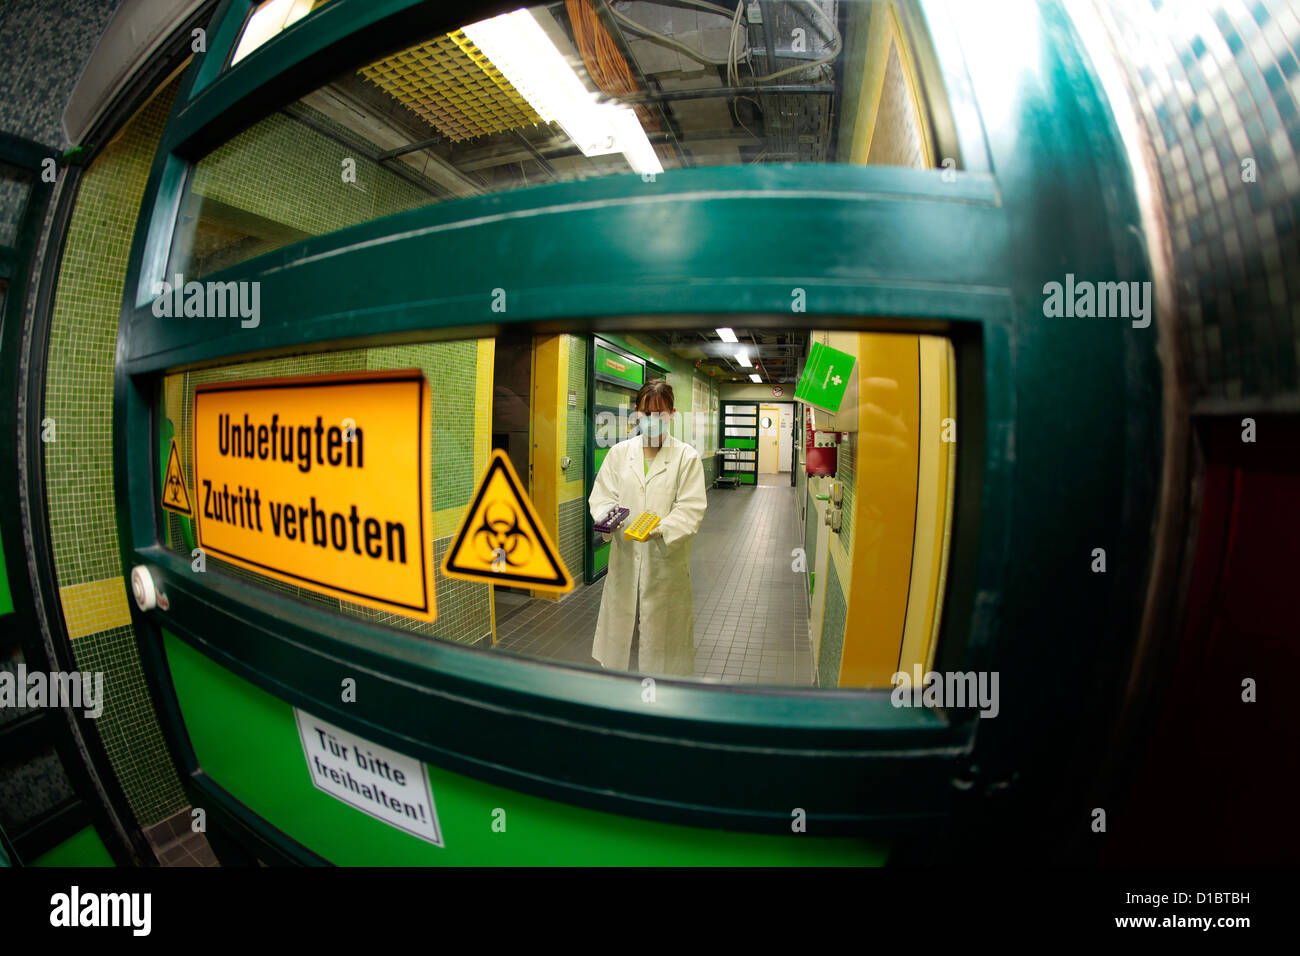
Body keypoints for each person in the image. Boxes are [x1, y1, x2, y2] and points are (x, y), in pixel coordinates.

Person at [589, 379, 707, 676]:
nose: (653, 420)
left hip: (665, 567)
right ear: (636, 413)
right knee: (623, 645)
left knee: (662, 647)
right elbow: (602, 495)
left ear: (672, 414)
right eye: (646, 413)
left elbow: (691, 508)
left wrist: (661, 529)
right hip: (625, 561)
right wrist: (607, 516)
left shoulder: (686, 458)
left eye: (660, 414)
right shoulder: (619, 454)